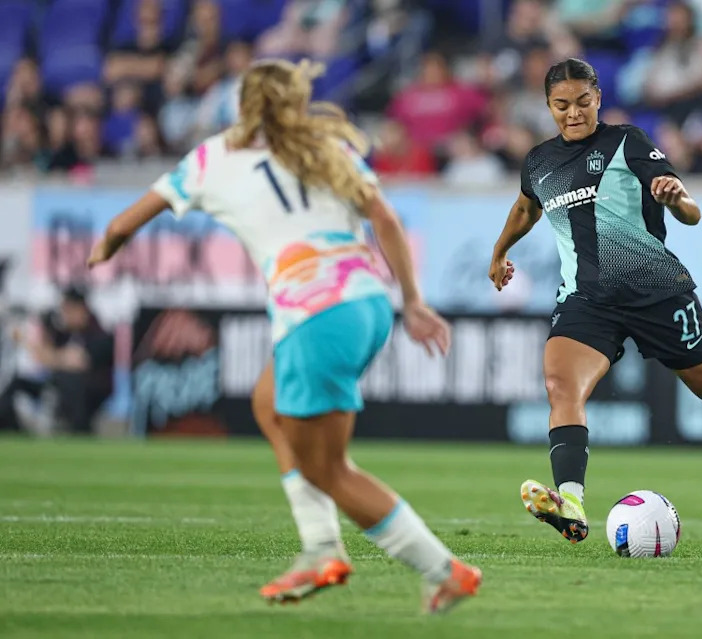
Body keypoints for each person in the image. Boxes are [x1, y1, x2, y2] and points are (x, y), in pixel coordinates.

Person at [87, 59, 481, 612]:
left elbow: (123, 224)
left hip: (315, 319)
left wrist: (104, 246)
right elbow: (386, 220)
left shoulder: (214, 158)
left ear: (241, 103)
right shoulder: (326, 146)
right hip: (366, 305)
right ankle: (321, 549)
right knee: (268, 403)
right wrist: (413, 302)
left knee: (330, 469)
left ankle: (443, 570)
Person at [487, 58, 702, 544]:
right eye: (561, 105)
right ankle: (570, 502)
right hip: (586, 300)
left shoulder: (627, 142)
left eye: (582, 102)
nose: (573, 113)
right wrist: (499, 251)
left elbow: (691, 212)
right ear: (548, 106)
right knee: (560, 385)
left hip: (656, 292)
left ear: (597, 97)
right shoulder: (538, 162)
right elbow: (525, 207)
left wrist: (676, 198)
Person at [0, 287, 114, 434]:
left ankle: (79, 430)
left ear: (81, 309)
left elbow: (77, 361)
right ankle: (13, 430)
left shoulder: (99, 334)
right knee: (17, 383)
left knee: (69, 380)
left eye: (68, 309)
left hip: (88, 391)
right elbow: (44, 359)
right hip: (57, 385)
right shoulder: (63, 333)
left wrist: (54, 357)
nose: (64, 314)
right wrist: (24, 339)